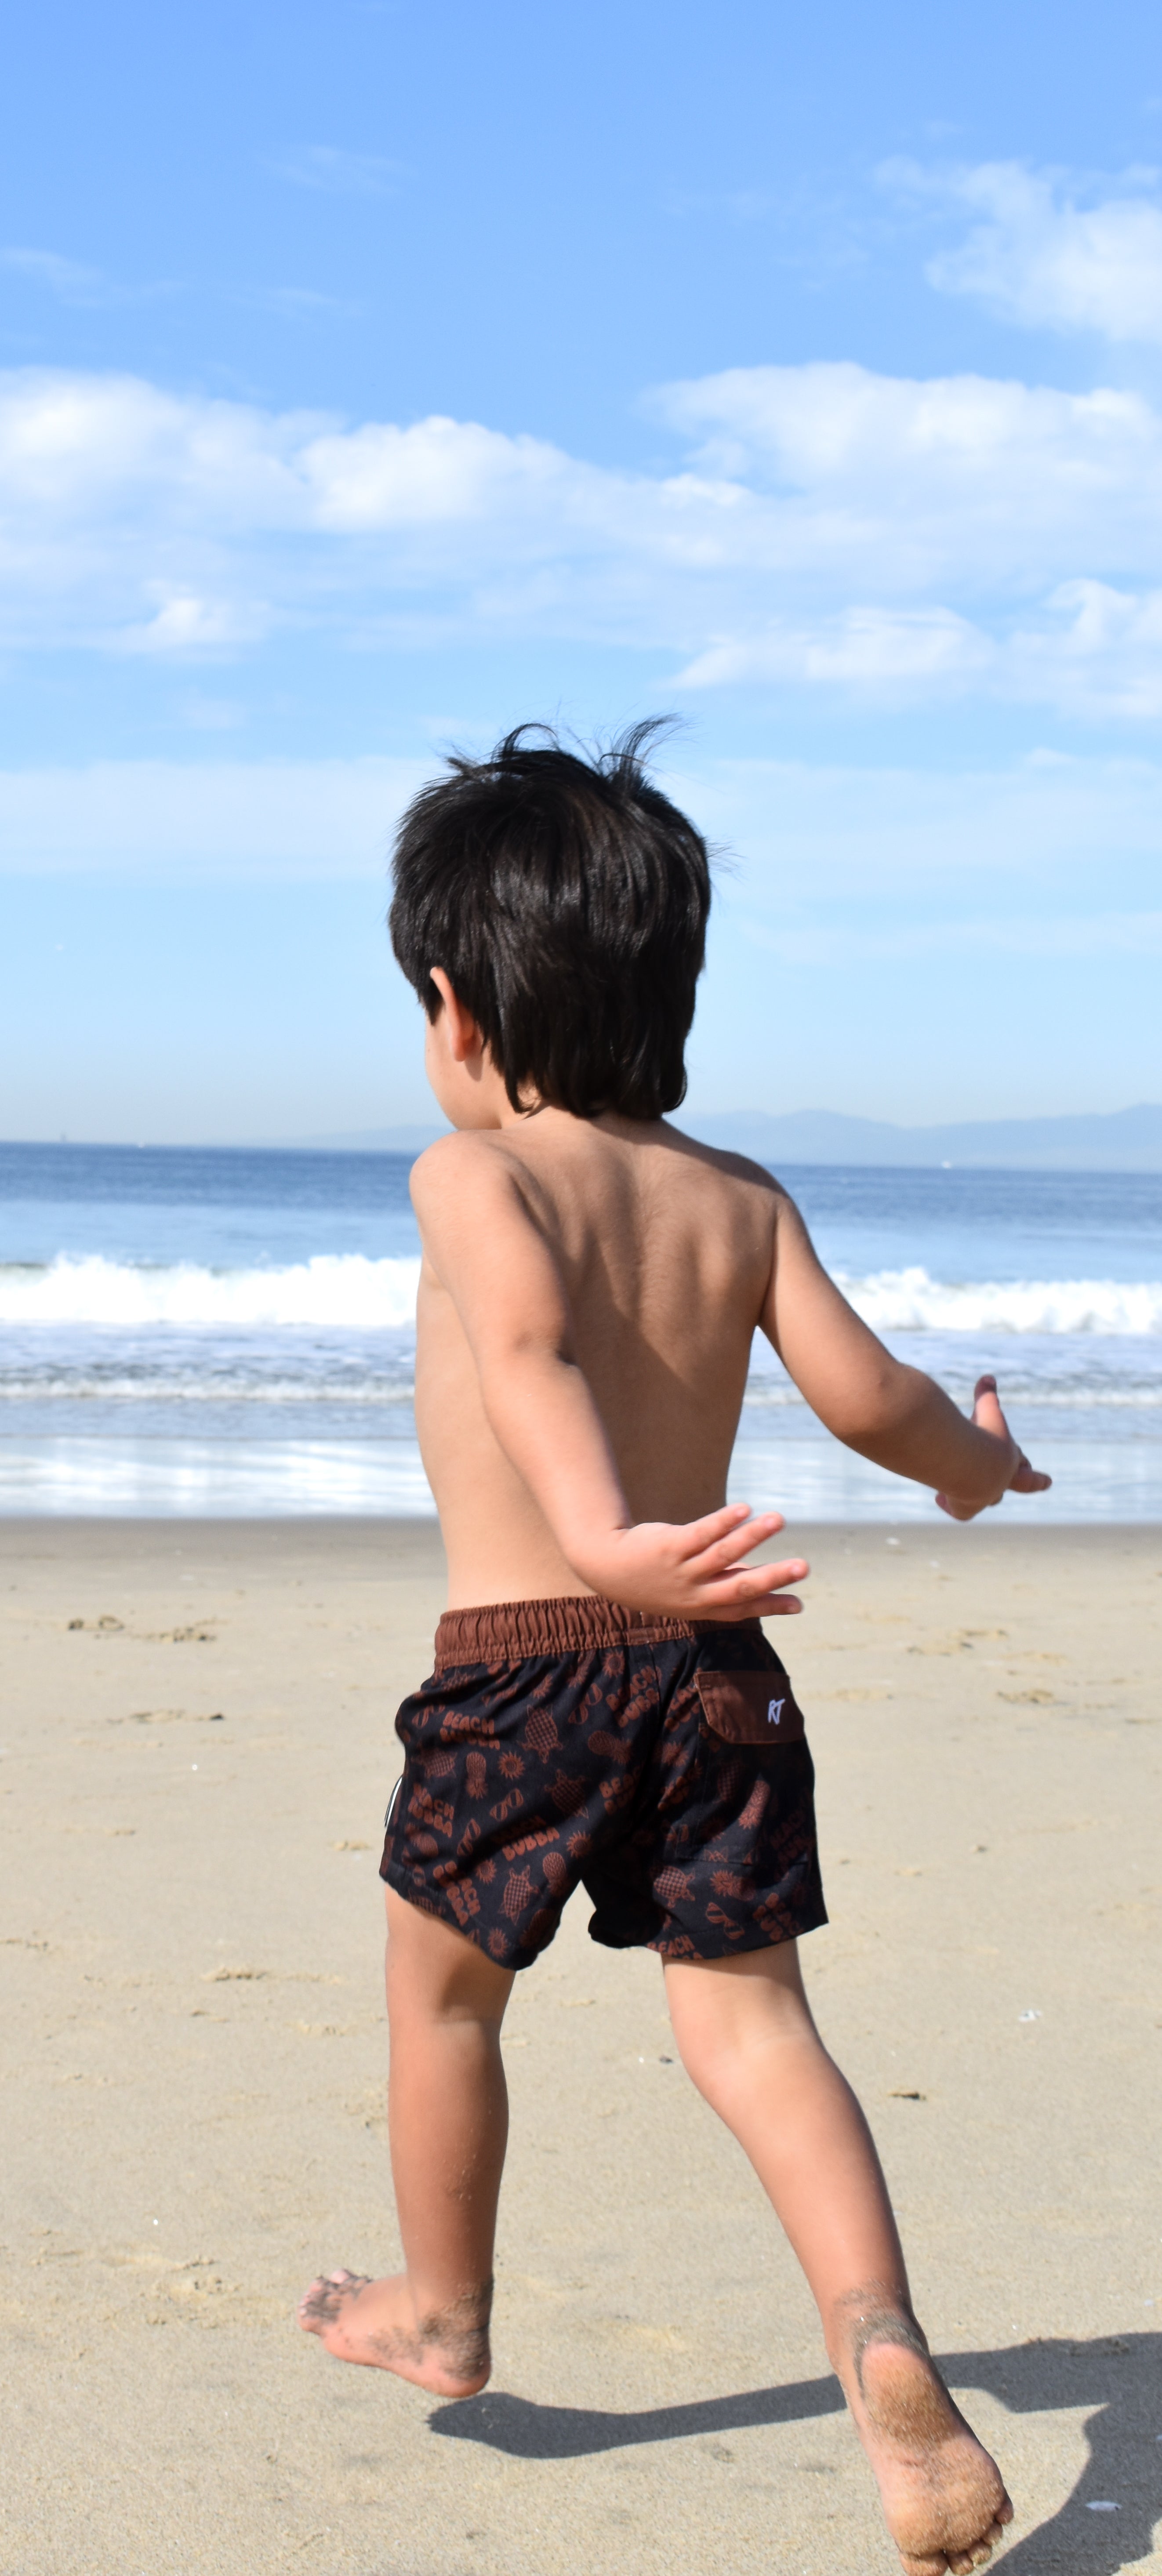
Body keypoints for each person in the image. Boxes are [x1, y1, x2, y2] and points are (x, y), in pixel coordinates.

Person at [298, 725, 1047, 2576]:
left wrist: (593, 1534)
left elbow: (532, 1345)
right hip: (713, 1667)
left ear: (453, 1008)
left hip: (526, 1656)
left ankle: (441, 2311)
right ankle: (876, 2336)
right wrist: (973, 1465)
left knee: (444, 2000)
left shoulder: (469, 1176)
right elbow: (867, 1392)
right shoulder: (737, 1193)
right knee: (752, 2017)